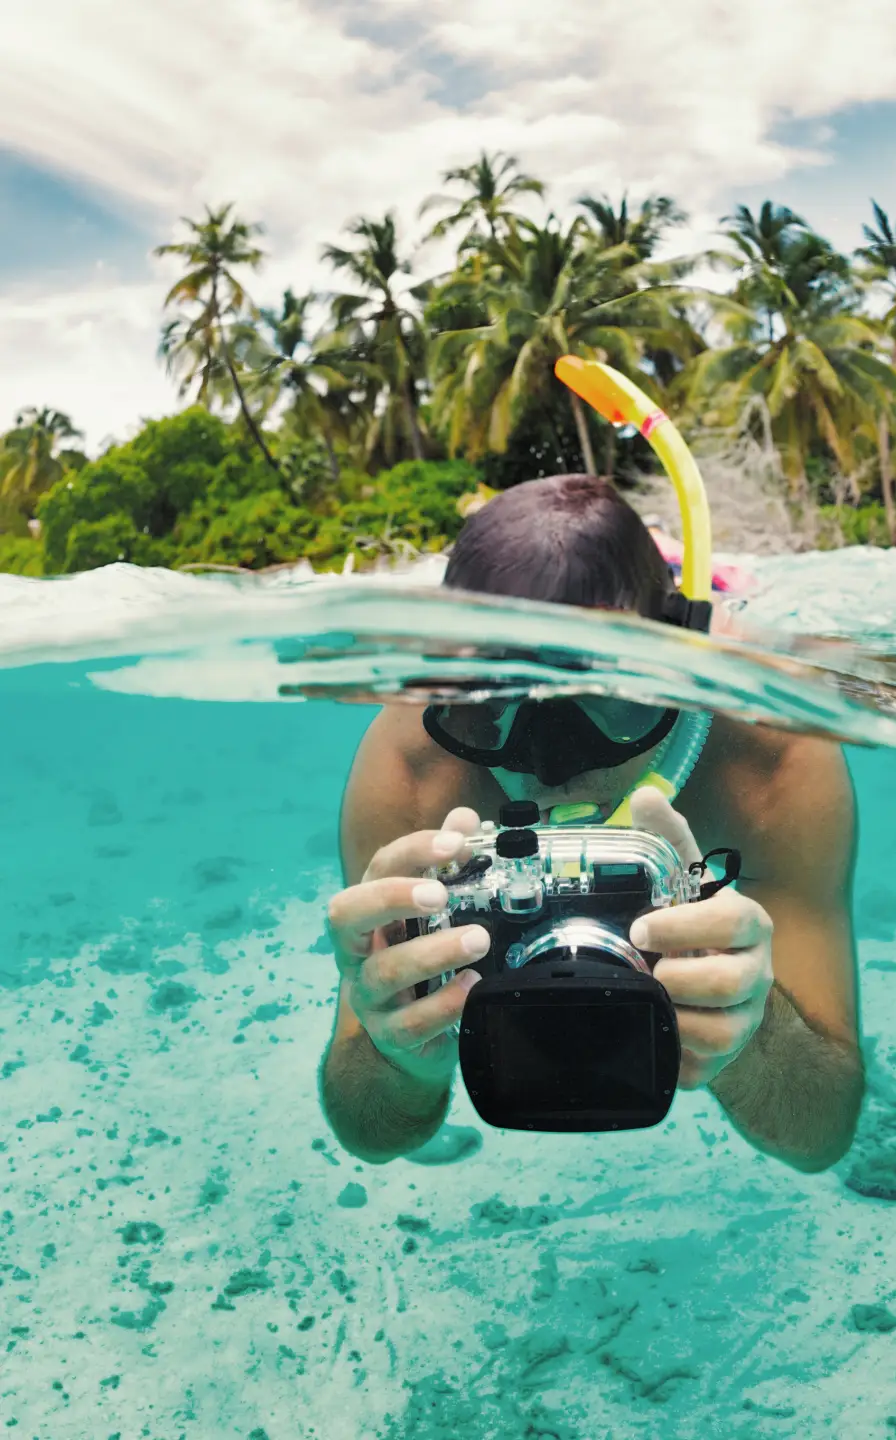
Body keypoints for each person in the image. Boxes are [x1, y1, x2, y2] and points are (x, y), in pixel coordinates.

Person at [320, 474, 864, 1171]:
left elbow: (821, 1135)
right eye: (491, 708)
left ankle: (668, 559)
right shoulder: (413, 759)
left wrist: (753, 1030)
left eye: (612, 702)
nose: (552, 765)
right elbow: (371, 1132)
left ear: (672, 672)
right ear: (453, 690)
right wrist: (396, 1054)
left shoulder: (772, 747)